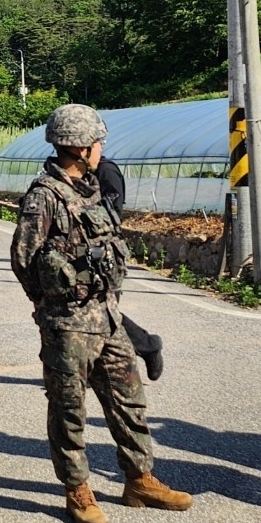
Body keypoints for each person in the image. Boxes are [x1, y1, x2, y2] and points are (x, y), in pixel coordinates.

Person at [10, 104, 191, 523]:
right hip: (68, 324)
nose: (101, 148)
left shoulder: (91, 187)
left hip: (108, 317)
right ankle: (78, 490)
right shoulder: (44, 196)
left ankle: (139, 480)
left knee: (129, 400)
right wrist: (50, 309)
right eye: (97, 143)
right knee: (70, 410)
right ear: (80, 147)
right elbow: (23, 260)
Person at [96, 155, 164, 381]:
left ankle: (148, 346)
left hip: (103, 254)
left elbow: (112, 215)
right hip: (82, 254)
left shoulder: (106, 171)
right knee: (91, 312)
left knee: (103, 312)